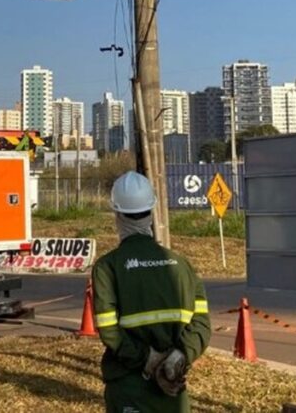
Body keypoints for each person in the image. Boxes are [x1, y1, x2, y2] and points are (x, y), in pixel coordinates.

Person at [91, 171, 211, 413]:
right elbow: (201, 323)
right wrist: (178, 357)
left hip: (128, 387)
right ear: (152, 211)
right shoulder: (181, 265)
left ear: (117, 214)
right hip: (172, 392)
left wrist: (149, 360)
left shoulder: (107, 267)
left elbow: (108, 329)